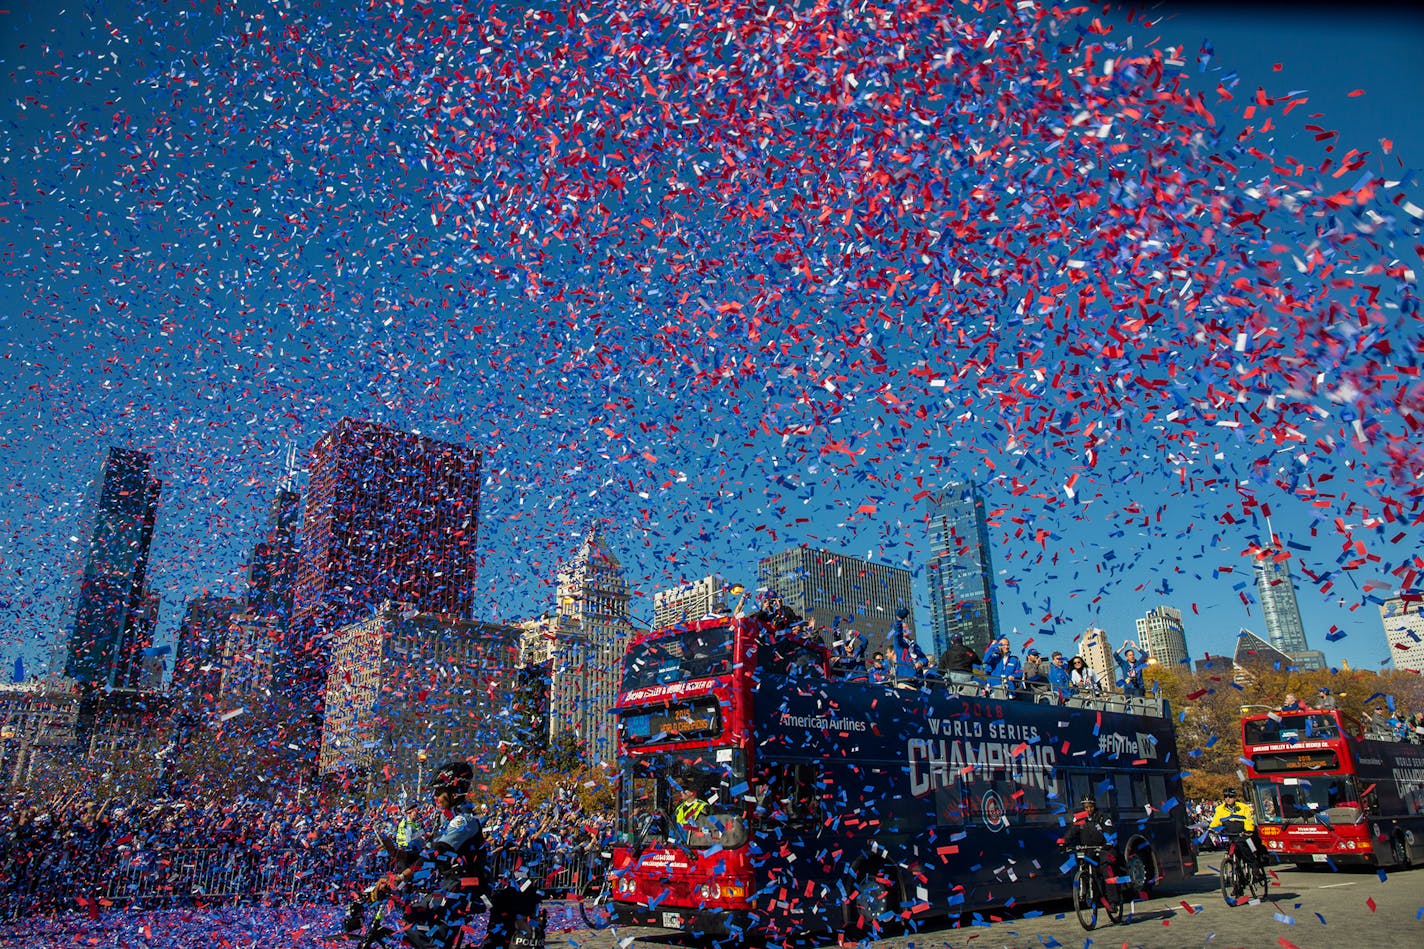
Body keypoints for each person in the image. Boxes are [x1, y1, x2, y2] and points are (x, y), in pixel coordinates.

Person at [364, 761, 491, 949]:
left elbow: (434, 853)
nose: (435, 796)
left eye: (439, 792)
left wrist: (401, 877)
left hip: (465, 890)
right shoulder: (445, 819)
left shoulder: (463, 821)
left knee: (432, 938)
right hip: (449, 885)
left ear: (454, 792)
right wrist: (396, 852)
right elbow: (424, 854)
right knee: (412, 915)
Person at [1061, 795, 1120, 901]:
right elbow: (1072, 832)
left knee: (1107, 870)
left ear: (1094, 806)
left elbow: (1110, 832)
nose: (1089, 809)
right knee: (1083, 863)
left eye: (1091, 807)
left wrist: (1108, 843)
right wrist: (1064, 842)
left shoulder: (1102, 817)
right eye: (1086, 807)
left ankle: (1113, 901)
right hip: (1089, 849)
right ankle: (1087, 890)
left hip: (1104, 848)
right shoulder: (1080, 818)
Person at [1208, 788, 1265, 869]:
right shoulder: (1219, 809)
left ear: (1234, 797)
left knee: (1245, 851)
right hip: (1229, 834)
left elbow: (1249, 820)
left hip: (1242, 833)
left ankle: (1255, 869)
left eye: (1230, 797)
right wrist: (1212, 829)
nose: (1227, 799)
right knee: (1231, 850)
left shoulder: (1243, 807)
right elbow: (1216, 821)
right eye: (1225, 796)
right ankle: (1236, 872)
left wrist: (1248, 830)